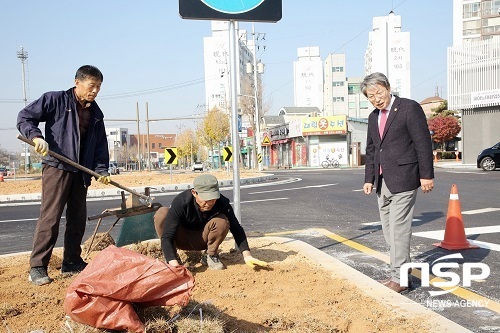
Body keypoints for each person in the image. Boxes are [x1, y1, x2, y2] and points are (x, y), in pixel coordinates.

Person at [17, 65, 111, 286]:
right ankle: (38, 267)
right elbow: (25, 117)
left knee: (77, 219)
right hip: (57, 166)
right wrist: (36, 136)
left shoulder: (96, 113)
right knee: (50, 218)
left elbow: (100, 145)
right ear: (77, 82)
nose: (95, 91)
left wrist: (102, 170)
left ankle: (71, 261)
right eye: (92, 86)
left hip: (81, 171)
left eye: (98, 87)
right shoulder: (55, 100)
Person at [361, 72, 434, 293]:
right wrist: (369, 178)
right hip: (383, 182)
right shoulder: (374, 117)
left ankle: (399, 278)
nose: (376, 98)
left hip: (405, 177)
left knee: (399, 230)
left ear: (388, 87)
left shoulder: (408, 108)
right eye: (371, 96)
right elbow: (372, 149)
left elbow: (422, 143)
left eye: (379, 92)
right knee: (388, 231)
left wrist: (427, 175)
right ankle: (400, 271)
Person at [154, 174, 268, 270]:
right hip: (181, 239)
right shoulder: (181, 202)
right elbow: (167, 236)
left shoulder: (221, 202)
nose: (210, 203)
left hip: (203, 240)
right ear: (194, 193)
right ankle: (173, 258)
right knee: (162, 213)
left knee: (222, 221)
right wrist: (174, 265)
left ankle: (210, 256)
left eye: (213, 199)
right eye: (206, 199)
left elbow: (236, 228)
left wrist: (247, 256)